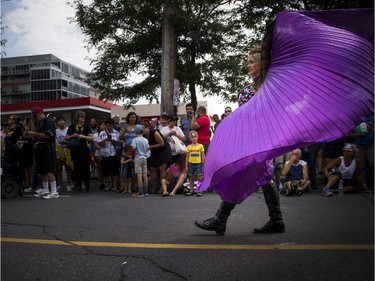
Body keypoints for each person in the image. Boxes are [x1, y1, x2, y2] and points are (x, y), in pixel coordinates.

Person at [194, 46, 285, 235]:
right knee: (249, 176)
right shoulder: (246, 92)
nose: (248, 65)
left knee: (262, 176)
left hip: (264, 140)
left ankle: (223, 219)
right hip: (250, 141)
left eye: (252, 61)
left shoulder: (272, 88)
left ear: (263, 64)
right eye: (248, 61)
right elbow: (244, 119)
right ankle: (273, 220)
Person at [25, 107, 59, 199]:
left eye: (35, 116)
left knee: (49, 170)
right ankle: (45, 190)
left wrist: (33, 133)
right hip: (40, 148)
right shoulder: (39, 123)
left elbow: (48, 135)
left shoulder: (49, 122)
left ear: (40, 113)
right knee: (42, 171)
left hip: (48, 148)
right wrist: (30, 133)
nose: (34, 118)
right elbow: (37, 135)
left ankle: (54, 191)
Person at [65, 110, 93, 192]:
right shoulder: (72, 127)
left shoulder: (87, 127)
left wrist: (83, 136)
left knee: (86, 168)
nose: (83, 118)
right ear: (77, 117)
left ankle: (87, 185)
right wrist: (72, 136)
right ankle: (78, 185)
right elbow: (66, 137)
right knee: (76, 168)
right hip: (75, 150)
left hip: (85, 150)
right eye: (81, 117)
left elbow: (91, 138)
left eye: (84, 117)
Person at [142, 120, 172, 195]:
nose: (142, 131)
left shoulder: (154, 132)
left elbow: (162, 143)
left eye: (143, 129)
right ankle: (154, 186)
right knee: (152, 168)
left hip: (163, 150)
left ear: (147, 128)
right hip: (154, 151)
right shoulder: (143, 135)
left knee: (162, 168)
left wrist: (150, 147)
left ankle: (162, 187)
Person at [98, 118, 122, 191]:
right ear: (105, 126)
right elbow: (99, 144)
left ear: (113, 125)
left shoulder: (116, 133)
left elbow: (120, 144)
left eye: (110, 126)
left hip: (113, 154)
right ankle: (107, 185)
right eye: (107, 126)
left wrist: (113, 141)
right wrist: (105, 140)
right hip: (104, 155)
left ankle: (114, 185)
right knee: (105, 171)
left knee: (115, 171)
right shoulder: (102, 133)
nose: (109, 127)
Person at [55, 116, 73, 191]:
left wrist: (65, 142)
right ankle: (59, 184)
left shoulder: (68, 130)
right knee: (58, 169)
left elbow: (71, 139)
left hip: (67, 149)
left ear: (65, 122)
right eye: (59, 121)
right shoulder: (56, 131)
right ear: (57, 123)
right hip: (59, 150)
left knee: (68, 168)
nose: (61, 122)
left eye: (63, 120)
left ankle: (69, 184)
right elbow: (55, 140)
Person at [131, 124, 149, 198]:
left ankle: (140, 192)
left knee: (139, 174)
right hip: (144, 157)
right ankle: (146, 191)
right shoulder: (145, 140)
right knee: (145, 174)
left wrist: (132, 157)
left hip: (138, 157)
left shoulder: (135, 139)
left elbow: (133, 149)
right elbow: (147, 148)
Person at [185, 130, 204, 197]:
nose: (194, 138)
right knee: (191, 177)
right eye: (192, 137)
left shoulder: (200, 146)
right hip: (191, 163)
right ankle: (191, 190)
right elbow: (187, 157)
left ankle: (199, 190)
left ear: (197, 137)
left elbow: (202, 155)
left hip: (198, 163)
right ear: (190, 138)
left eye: (195, 137)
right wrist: (186, 166)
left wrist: (203, 163)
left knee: (199, 177)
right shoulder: (188, 147)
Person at [93, 120, 106, 190]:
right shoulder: (96, 134)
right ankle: (102, 182)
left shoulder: (106, 134)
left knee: (106, 168)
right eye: (102, 125)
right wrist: (102, 149)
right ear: (99, 126)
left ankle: (107, 182)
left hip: (107, 153)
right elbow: (96, 145)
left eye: (104, 125)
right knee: (100, 168)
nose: (103, 126)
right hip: (99, 153)